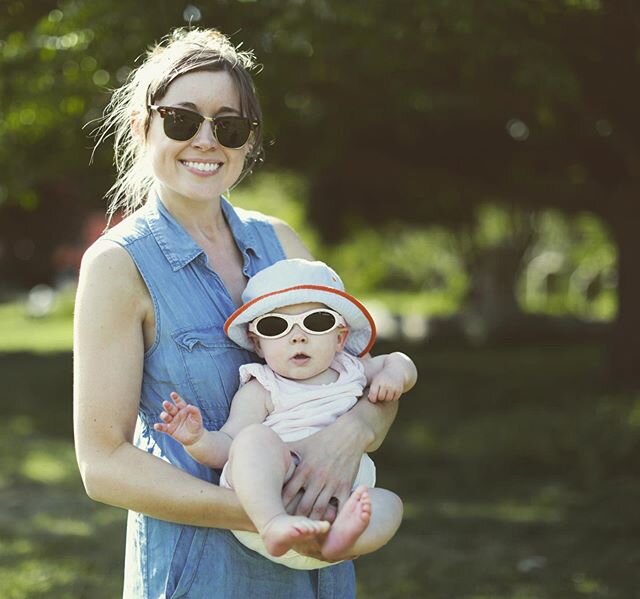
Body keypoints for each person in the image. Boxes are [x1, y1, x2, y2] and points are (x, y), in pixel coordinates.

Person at [73, 27, 399, 599]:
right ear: (141, 126)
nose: (206, 141)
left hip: (322, 568)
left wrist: (350, 435)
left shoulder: (281, 241)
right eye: (182, 120)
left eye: (229, 126)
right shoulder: (118, 264)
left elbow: (364, 382)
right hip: (203, 572)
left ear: (249, 142)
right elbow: (103, 465)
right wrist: (266, 515)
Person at [153, 259, 417, 570]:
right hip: (274, 496)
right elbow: (229, 446)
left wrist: (396, 377)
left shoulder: (351, 369)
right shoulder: (263, 387)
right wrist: (197, 439)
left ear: (340, 338)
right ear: (258, 344)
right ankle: (273, 523)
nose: (298, 336)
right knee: (254, 439)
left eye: (316, 322)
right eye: (275, 326)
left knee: (390, 504)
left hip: (340, 501)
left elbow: (398, 359)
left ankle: (342, 540)